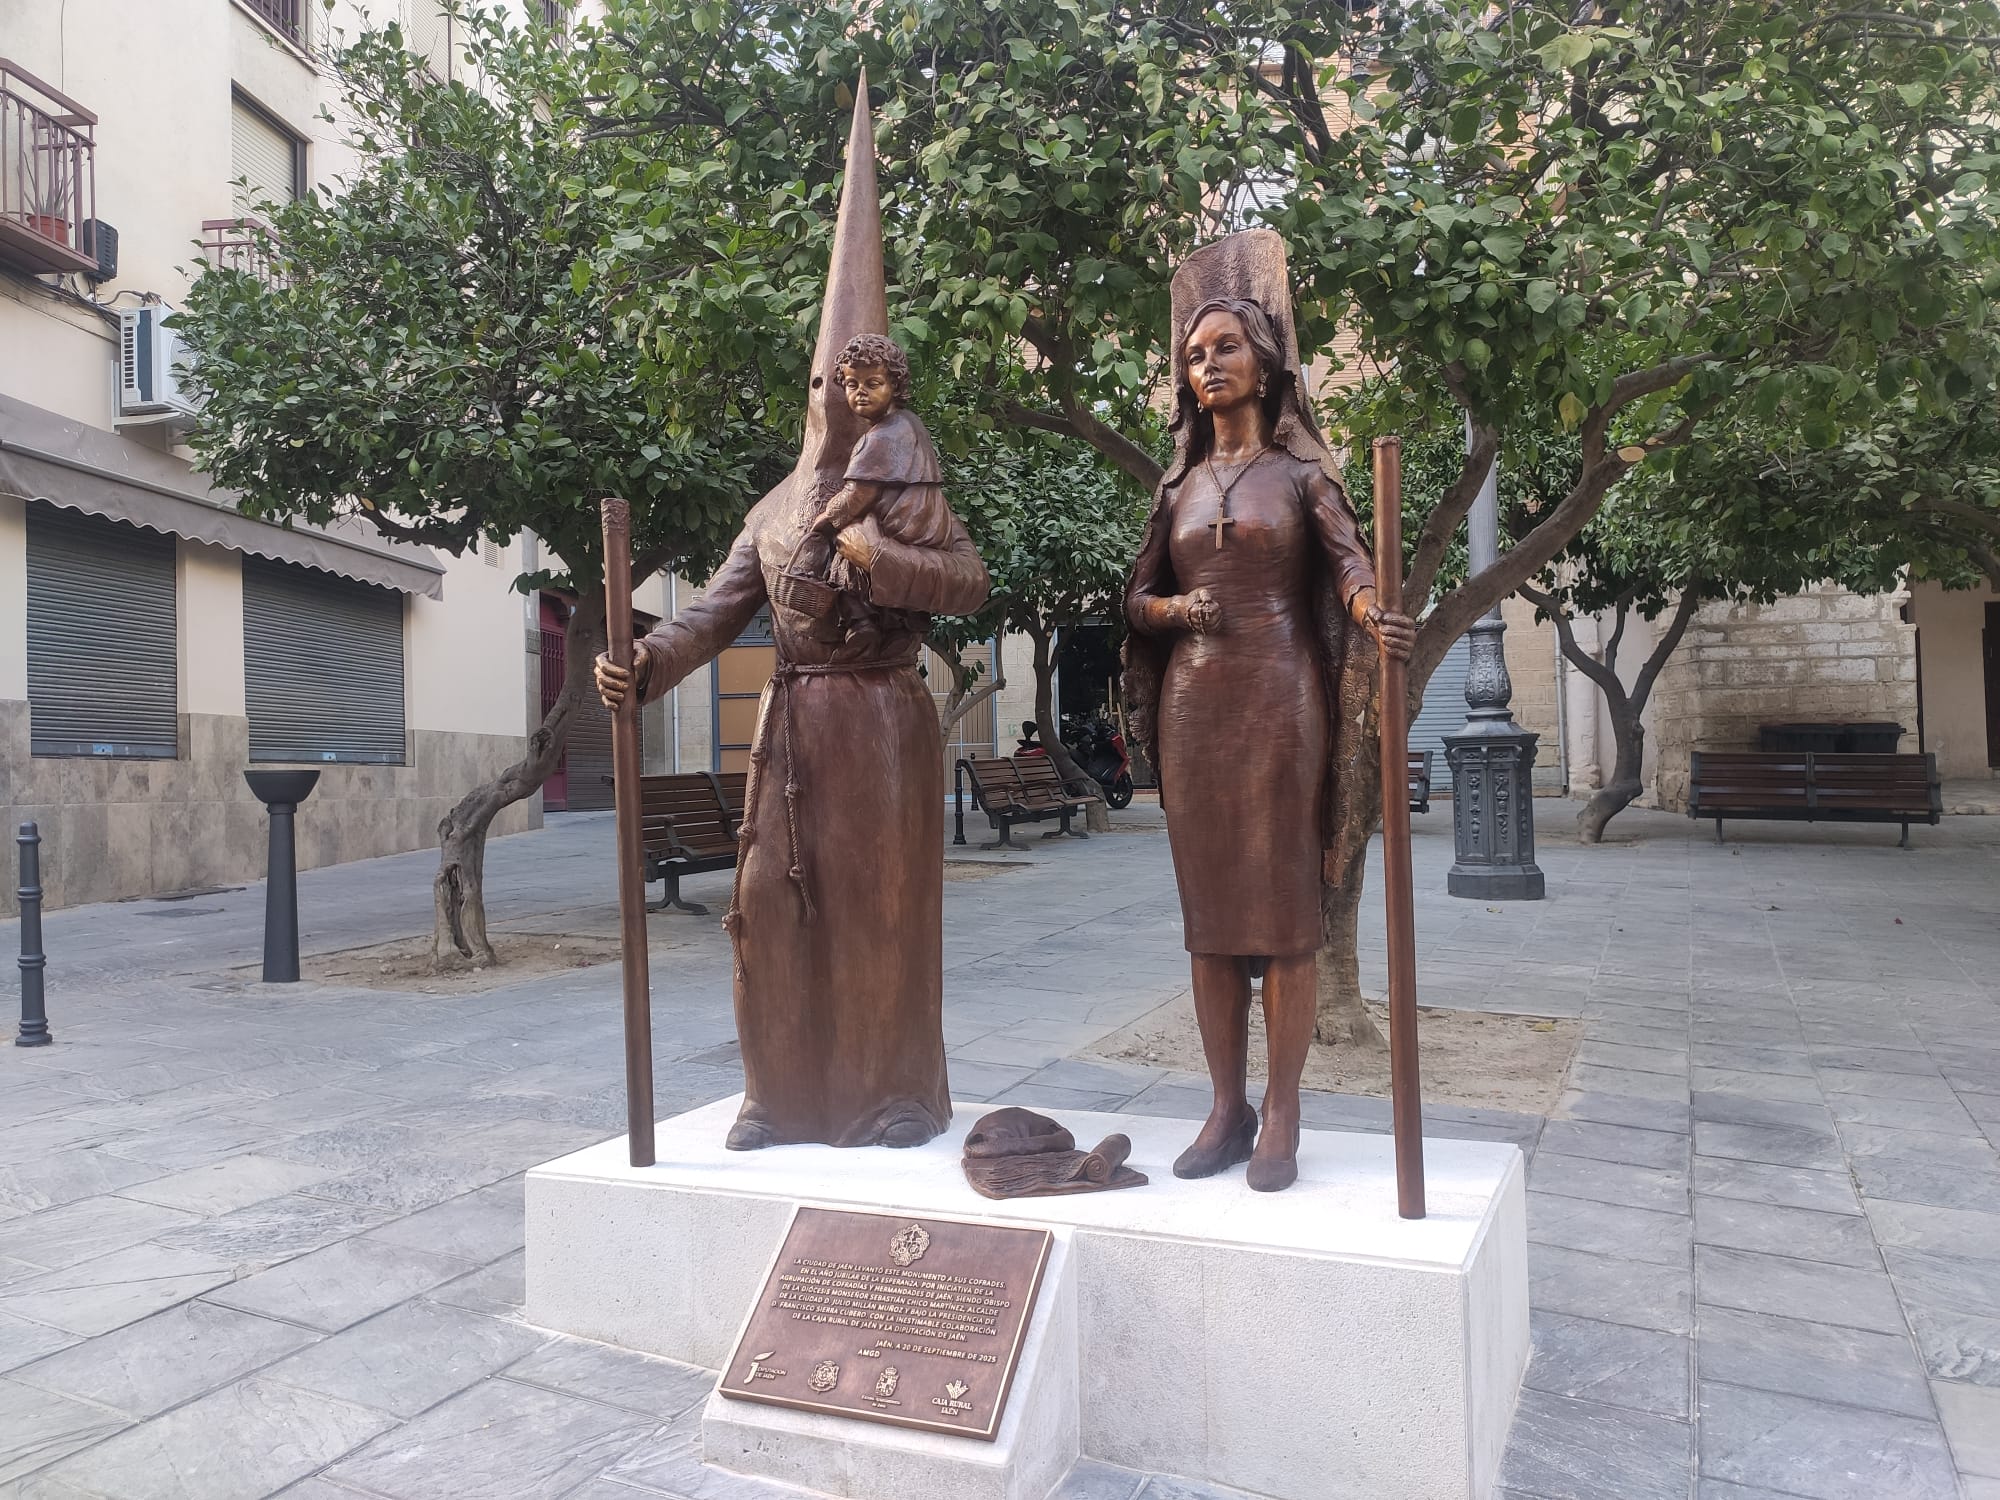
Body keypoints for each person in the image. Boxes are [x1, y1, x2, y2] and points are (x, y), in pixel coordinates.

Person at [595, 84, 989, 1152]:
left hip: (876, 719)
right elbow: (716, 612)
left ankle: (885, 1093)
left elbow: (967, 582)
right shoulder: (773, 507)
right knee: (766, 910)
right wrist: (644, 658)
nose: (833, 391)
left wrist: (882, 556)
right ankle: (777, 1093)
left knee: (876, 915)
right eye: (822, 375)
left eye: (851, 374)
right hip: (790, 728)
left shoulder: (910, 481)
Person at [1123, 232, 1415, 1192]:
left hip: (1281, 700)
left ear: (1267, 365)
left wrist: (1374, 610)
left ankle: (1282, 1113)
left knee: (1288, 915)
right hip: (1194, 708)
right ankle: (1226, 1106)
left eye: (1226, 349)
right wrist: (1173, 610)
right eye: (1194, 355)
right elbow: (1138, 601)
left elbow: (1348, 565)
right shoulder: (1178, 486)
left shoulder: (1301, 479)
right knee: (1211, 920)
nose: (1208, 365)